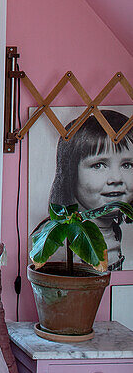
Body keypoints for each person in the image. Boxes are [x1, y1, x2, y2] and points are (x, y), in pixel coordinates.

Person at [49, 110, 133, 271]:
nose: (116, 178)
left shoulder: (115, 229)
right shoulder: (58, 238)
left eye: (127, 165)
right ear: (70, 173)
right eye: (99, 165)